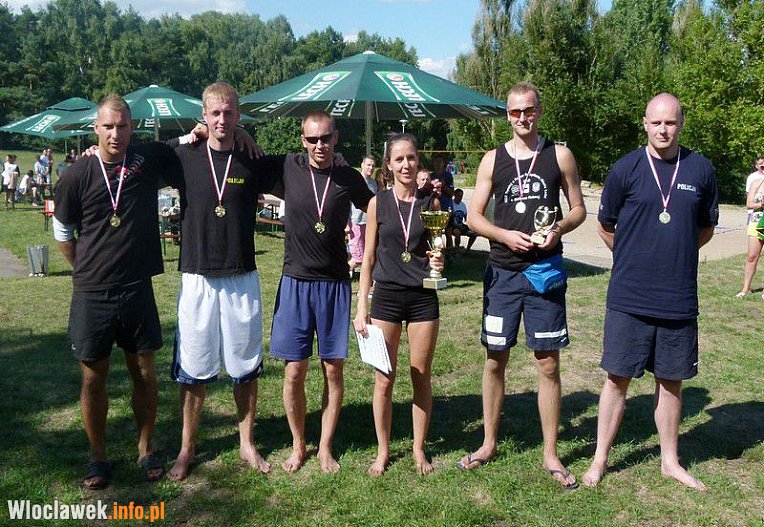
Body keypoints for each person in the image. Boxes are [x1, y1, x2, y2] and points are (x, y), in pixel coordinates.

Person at [582, 93, 718, 491]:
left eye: (670, 122)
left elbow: (706, 227)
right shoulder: (625, 168)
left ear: (681, 124)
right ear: (644, 123)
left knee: (671, 380)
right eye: (656, 122)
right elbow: (605, 224)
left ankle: (670, 461)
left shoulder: (701, 169)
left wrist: (676, 253)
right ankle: (600, 459)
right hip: (629, 297)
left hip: (677, 297)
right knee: (617, 378)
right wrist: (632, 255)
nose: (663, 130)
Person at [456, 81, 586, 490]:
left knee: (547, 362)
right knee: (495, 358)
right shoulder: (492, 159)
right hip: (503, 273)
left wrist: (558, 229)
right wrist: (503, 235)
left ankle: (551, 453)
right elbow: (473, 216)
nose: (523, 118)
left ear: (539, 111)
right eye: (515, 112)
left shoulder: (559, 155)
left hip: (544, 272)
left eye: (529, 110)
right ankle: (488, 443)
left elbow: (578, 209)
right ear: (507, 116)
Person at [53, 94, 184, 489]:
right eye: (108, 126)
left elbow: (187, 142)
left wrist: (220, 132)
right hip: (93, 292)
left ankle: (146, 448)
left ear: (132, 128)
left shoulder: (144, 161)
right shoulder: (77, 174)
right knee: (94, 377)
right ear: (96, 128)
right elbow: (62, 232)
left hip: (136, 287)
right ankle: (98, 457)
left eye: (122, 126)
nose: (115, 134)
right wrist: (85, 267)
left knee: (143, 372)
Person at [167, 82, 276, 481]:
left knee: (245, 367)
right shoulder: (184, 155)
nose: (222, 120)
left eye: (229, 113)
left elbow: (304, 168)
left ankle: (247, 443)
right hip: (197, 277)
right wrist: (187, 134)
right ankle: (187, 448)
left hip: (241, 276)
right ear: (204, 115)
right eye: (215, 113)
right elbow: (144, 153)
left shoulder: (252, 159)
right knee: (193, 369)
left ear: (239, 116)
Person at [268, 110, 374, 473]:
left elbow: (376, 209)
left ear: (336, 138)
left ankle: (325, 446)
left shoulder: (348, 176)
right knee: (294, 371)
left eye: (325, 138)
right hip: (295, 282)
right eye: (312, 139)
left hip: (333, 284)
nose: (319, 145)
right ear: (302, 140)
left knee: (332, 370)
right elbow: (246, 158)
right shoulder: (288, 167)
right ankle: (298, 444)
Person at [353, 134, 444, 477]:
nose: (406, 165)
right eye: (399, 159)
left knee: (420, 376)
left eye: (411, 158)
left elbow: (437, 249)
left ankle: (419, 448)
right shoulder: (377, 203)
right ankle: (383, 450)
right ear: (388, 165)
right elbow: (368, 258)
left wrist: (439, 260)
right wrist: (361, 306)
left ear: (418, 161)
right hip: (387, 298)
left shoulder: (430, 203)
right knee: (384, 379)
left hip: (422, 298)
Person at [736, 156, 764, 298]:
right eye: (762, 167)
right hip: (756, 222)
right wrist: (761, 204)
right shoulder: (755, 183)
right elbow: (749, 204)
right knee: (752, 256)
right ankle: (745, 289)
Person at [348, 155, 378, 276]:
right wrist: (346, 225)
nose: (371, 168)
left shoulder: (373, 183)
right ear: (362, 165)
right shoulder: (354, 181)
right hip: (355, 223)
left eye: (373, 166)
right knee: (358, 257)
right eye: (368, 165)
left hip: (368, 223)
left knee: (367, 254)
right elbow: (346, 204)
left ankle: (369, 279)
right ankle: (342, 271)